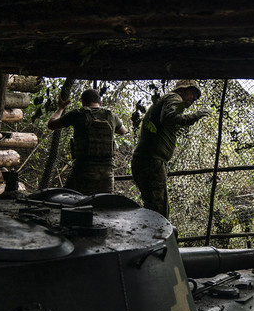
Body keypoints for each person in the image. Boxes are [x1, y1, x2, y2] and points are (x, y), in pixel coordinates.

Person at [131, 80, 209, 218]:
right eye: (193, 93)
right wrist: (195, 116)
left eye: (196, 97)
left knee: (154, 209)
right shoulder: (174, 98)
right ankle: (154, 238)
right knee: (158, 213)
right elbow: (169, 117)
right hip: (151, 161)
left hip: (147, 160)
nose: (194, 99)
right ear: (183, 90)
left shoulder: (166, 100)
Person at [48, 89, 127, 195]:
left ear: (83, 102)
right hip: (106, 173)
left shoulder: (77, 114)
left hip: (82, 170)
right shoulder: (110, 115)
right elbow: (123, 131)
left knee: (69, 200)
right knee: (105, 206)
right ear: (100, 102)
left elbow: (51, 124)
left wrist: (60, 108)